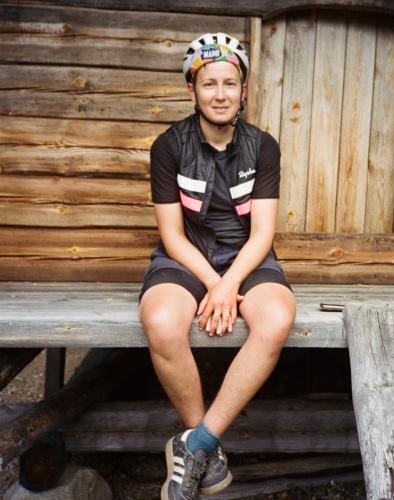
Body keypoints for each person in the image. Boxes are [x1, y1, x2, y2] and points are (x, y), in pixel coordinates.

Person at [138, 32, 296, 500]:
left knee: (276, 319)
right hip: (186, 257)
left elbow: (264, 233)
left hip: (248, 259)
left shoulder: (263, 147)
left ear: (244, 90)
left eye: (231, 83)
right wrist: (214, 284)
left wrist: (231, 283)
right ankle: (205, 449)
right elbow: (171, 234)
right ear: (192, 90)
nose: (221, 94)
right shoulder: (168, 146)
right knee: (162, 321)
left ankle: (198, 444)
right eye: (210, 84)